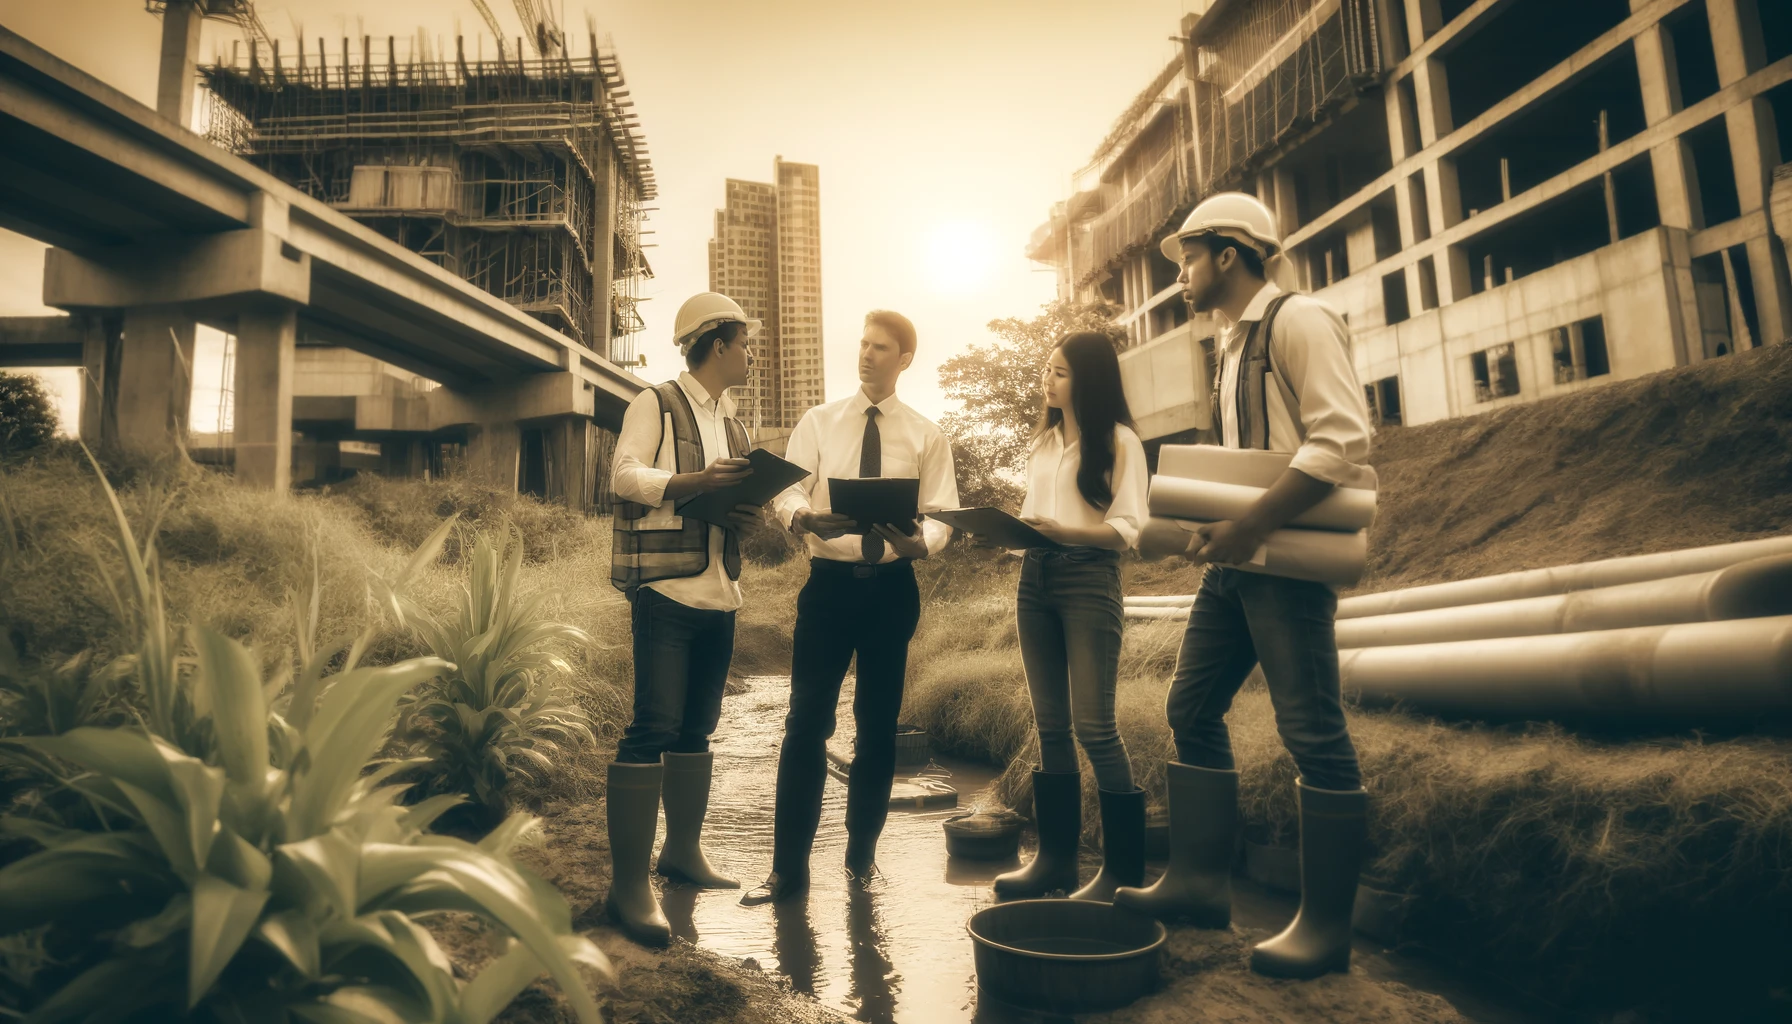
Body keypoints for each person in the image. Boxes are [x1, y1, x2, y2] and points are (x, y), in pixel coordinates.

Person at [1112, 192, 1378, 980]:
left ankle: (1326, 930)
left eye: (1189, 257)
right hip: (1237, 564)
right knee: (1190, 706)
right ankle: (1198, 883)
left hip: (1284, 571)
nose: (1182, 274)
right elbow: (1247, 458)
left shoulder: (1299, 321)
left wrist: (1251, 525)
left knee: (1313, 733)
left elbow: (1341, 441)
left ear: (1229, 254)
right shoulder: (1231, 343)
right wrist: (1206, 522)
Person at [740, 309, 960, 906]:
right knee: (805, 723)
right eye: (862, 344)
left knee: (878, 728)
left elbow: (942, 513)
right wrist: (801, 515)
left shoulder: (924, 433)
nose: (866, 355)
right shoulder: (819, 421)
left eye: (881, 347)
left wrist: (923, 544)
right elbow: (786, 488)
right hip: (829, 588)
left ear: (904, 359)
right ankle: (788, 871)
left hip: (892, 592)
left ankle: (861, 861)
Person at [605, 291, 765, 946]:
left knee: (696, 730)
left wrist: (745, 512)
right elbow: (622, 475)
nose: (751, 354)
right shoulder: (655, 402)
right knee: (654, 727)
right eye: (745, 342)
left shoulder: (736, 424)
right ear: (718, 345)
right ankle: (628, 887)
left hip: (718, 593)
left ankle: (682, 854)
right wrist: (693, 483)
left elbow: (732, 505)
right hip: (665, 593)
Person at [993, 332, 1151, 903]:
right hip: (1034, 580)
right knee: (1050, 725)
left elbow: (1128, 531)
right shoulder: (1044, 445)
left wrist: (1067, 535)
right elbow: (1035, 520)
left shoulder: (1120, 443)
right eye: (1047, 370)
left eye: (1059, 372)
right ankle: (1055, 862)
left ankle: (1122, 873)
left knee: (1095, 727)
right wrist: (1004, 534)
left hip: (1089, 579)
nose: (1047, 381)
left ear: (1088, 378)